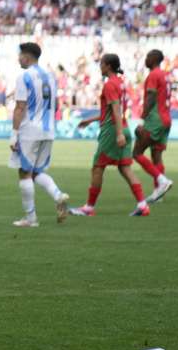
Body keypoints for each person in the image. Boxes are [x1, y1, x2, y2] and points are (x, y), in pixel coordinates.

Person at [70, 54, 150, 217]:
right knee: (125, 168)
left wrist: (119, 134)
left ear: (108, 66)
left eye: (101, 64)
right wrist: (90, 120)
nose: (100, 67)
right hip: (124, 127)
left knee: (98, 167)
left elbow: (116, 110)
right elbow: (112, 110)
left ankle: (89, 208)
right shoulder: (121, 84)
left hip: (113, 131)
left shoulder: (110, 85)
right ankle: (143, 205)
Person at [8, 42, 70, 227]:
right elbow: (56, 105)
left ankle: (31, 218)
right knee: (36, 171)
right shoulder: (51, 77)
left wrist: (14, 134)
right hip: (48, 129)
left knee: (24, 172)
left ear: (26, 57)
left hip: (29, 130)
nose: (18, 58)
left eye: (20, 55)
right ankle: (58, 195)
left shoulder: (24, 77)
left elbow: (20, 107)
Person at [133, 49, 175, 203]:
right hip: (166, 119)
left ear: (154, 59)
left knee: (137, 153)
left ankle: (162, 181)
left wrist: (142, 120)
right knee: (156, 156)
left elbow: (151, 97)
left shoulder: (153, 75)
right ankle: (159, 193)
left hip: (154, 120)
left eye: (147, 56)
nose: (145, 59)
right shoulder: (165, 75)